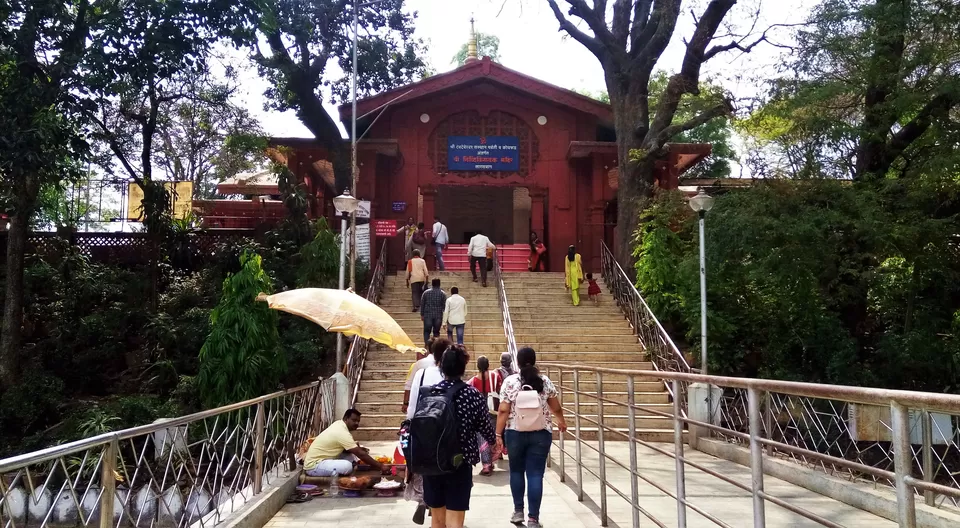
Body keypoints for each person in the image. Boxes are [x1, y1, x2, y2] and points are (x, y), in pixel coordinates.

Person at [421, 346, 496, 528]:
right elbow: (485, 428)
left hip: (432, 463)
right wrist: (494, 442)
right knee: (455, 520)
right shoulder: (472, 395)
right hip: (459, 462)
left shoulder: (428, 392)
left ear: (441, 367)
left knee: (437, 520)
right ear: (463, 368)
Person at [496, 347, 567, 528]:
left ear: (517, 362)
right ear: (534, 361)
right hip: (541, 433)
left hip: (514, 432)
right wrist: (561, 421)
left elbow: (503, 410)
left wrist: (498, 434)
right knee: (535, 474)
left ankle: (518, 511)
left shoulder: (510, 382)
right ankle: (533, 519)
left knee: (516, 471)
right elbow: (555, 407)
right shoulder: (544, 381)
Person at [405, 338, 451, 525]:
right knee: (443, 467)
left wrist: (410, 425)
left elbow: (412, 405)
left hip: (423, 428)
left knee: (425, 467)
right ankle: (438, 507)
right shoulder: (450, 374)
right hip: (444, 430)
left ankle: (425, 500)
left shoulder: (422, 373)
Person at [303, 409, 387, 477]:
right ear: (346, 419)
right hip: (313, 466)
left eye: (358, 421)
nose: (356, 423)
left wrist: (359, 450)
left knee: (351, 456)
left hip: (323, 459)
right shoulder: (342, 431)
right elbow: (360, 454)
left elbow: (351, 450)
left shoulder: (339, 424)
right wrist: (380, 466)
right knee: (347, 466)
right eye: (354, 420)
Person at [468, 356, 502, 475]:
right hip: (493, 409)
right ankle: (492, 460)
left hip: (479, 411)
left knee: (482, 438)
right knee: (492, 435)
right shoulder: (495, 375)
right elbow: (499, 389)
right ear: (488, 364)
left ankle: (486, 465)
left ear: (477, 366)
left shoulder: (473, 381)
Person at [420, 278, 447, 347]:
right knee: (436, 332)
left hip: (427, 315)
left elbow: (422, 304)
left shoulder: (426, 293)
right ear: (439, 284)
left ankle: (427, 346)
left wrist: (422, 314)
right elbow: (444, 306)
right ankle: (435, 346)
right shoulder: (442, 294)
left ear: (432, 284)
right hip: (438, 315)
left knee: (426, 331)